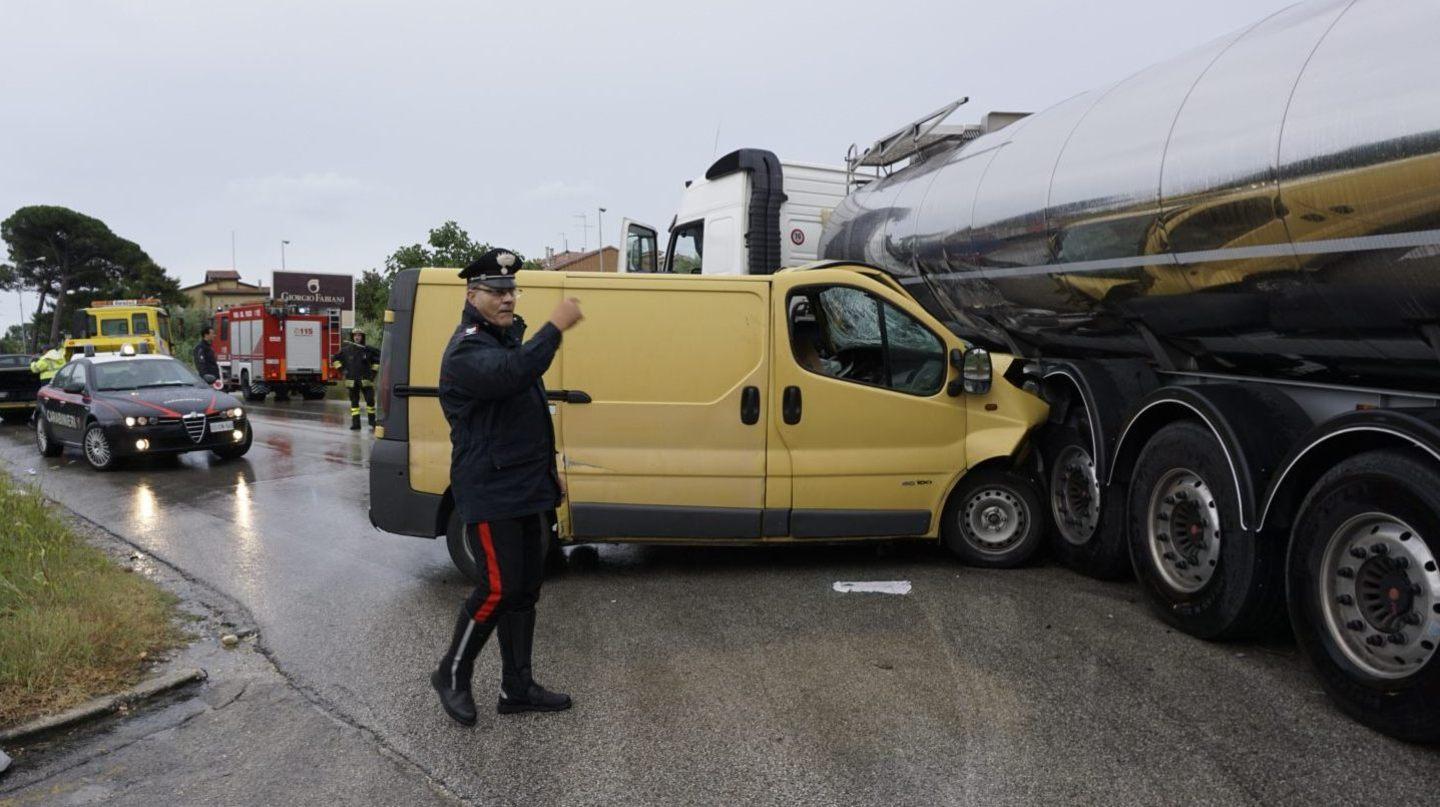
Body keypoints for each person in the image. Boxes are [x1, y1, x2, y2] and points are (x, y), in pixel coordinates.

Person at [430, 247, 583, 727]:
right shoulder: (469, 348)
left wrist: (548, 468)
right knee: (496, 588)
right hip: (491, 489)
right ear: (471, 293)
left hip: (525, 484)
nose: (507, 298)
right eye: (496, 291)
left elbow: (527, 412)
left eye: (512, 290)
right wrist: (554, 327)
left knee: (524, 591)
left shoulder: (504, 340)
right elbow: (511, 377)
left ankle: (516, 687)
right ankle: (452, 674)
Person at [331, 329, 380, 430]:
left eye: (359, 335)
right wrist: (342, 370)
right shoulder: (346, 350)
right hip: (352, 381)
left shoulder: (368, 350)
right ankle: (356, 424)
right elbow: (334, 359)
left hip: (366, 380)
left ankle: (372, 421)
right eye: (355, 335)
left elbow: (377, 361)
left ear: (362, 337)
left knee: (370, 401)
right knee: (354, 403)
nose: (357, 337)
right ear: (352, 337)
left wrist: (373, 374)